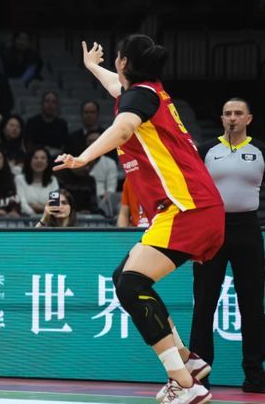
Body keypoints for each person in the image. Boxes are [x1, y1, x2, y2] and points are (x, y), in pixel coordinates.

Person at [54, 36, 225, 403]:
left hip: (188, 207)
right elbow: (116, 87)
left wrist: (83, 158)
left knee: (132, 284)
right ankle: (187, 361)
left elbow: (122, 129)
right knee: (124, 278)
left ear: (124, 62)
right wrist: (92, 67)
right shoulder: (146, 93)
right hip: (187, 207)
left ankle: (184, 383)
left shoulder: (140, 99)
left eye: (117, 60)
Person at [190, 97, 265, 393]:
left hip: (248, 229)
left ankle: (254, 375)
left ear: (249, 119)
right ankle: (199, 375)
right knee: (204, 304)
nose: (232, 117)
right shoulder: (206, 150)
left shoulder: (260, 150)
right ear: (221, 118)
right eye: (227, 113)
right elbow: (189, 189)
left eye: (238, 113)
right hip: (211, 230)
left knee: (252, 305)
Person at [15, 147, 59, 216]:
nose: (39, 161)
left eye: (43, 158)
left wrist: (39, 208)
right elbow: (22, 204)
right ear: (29, 161)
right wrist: (35, 216)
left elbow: (55, 205)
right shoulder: (20, 179)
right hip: (27, 219)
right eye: (35, 158)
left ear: (47, 162)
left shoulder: (53, 180)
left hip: (48, 219)